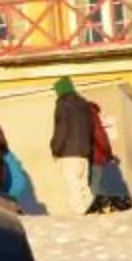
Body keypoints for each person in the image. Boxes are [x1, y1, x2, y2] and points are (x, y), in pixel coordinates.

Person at [46, 76, 98, 216]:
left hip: (69, 154)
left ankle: (80, 218)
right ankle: (93, 214)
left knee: (73, 187)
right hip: (84, 153)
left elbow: (61, 129)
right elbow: (90, 128)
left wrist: (55, 149)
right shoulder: (84, 105)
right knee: (83, 186)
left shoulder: (63, 105)